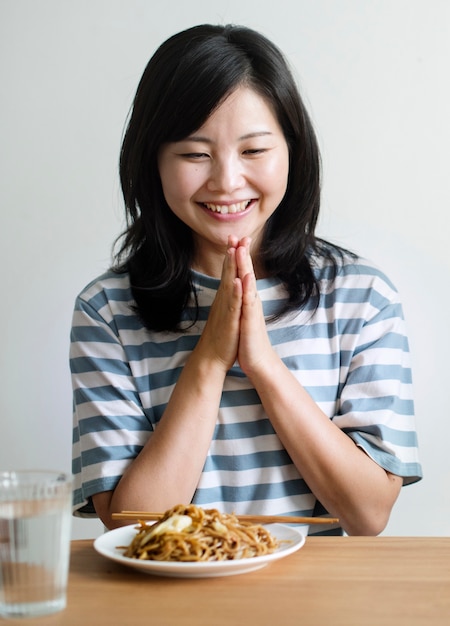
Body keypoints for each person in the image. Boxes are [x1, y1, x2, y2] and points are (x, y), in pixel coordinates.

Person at [70, 23, 422, 536]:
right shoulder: (106, 309)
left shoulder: (362, 297)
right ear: (154, 163)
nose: (227, 181)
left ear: (292, 152)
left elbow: (368, 514)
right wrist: (209, 361)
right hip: (166, 612)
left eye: (254, 151)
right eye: (194, 154)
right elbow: (130, 526)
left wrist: (263, 366)